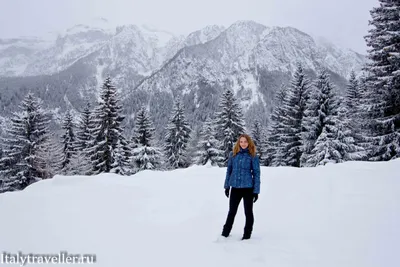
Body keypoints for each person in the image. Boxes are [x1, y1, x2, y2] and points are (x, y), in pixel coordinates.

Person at [221, 134, 261, 240]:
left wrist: (256, 191)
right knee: (232, 212)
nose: (243, 144)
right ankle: (225, 233)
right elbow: (229, 171)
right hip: (235, 188)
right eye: (241, 142)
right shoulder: (233, 155)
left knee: (248, 212)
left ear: (249, 143)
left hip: (248, 189)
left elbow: (256, 174)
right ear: (239, 143)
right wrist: (227, 186)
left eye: (245, 142)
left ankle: (247, 236)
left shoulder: (252, 156)